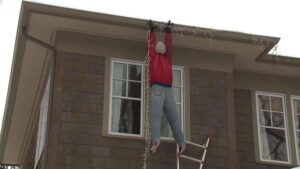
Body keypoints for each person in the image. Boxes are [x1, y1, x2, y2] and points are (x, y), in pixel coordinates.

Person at [147, 20, 186, 155]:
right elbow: (168, 45)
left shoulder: (153, 57)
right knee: (172, 117)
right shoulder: (166, 58)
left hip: (159, 89)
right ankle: (180, 142)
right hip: (167, 89)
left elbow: (152, 45)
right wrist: (167, 32)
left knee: (156, 116)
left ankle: (157, 141)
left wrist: (152, 32)